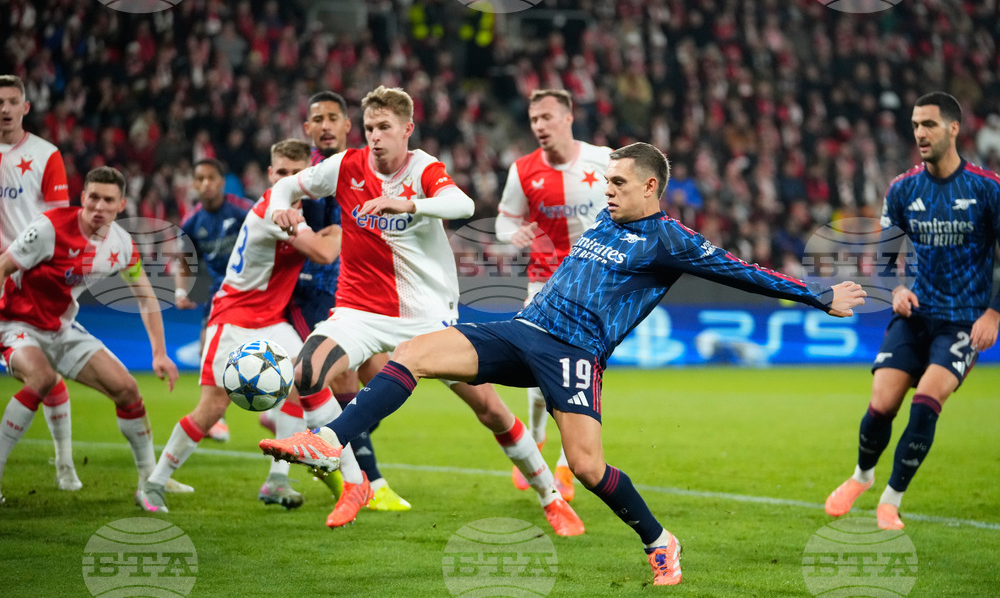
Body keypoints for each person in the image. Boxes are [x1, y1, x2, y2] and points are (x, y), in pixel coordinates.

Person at [261, 142, 867, 586]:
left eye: (619, 182)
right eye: (607, 181)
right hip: (525, 330)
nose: (608, 190)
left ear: (650, 187)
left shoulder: (671, 240)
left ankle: (660, 540)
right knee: (413, 352)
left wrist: (820, 298)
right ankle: (330, 441)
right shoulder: (607, 217)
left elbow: (744, 272)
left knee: (587, 465)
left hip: (575, 355)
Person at [264, 85, 584, 535]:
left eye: (384, 127)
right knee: (306, 372)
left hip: (427, 316)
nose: (375, 136)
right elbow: (285, 185)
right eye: (370, 127)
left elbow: (463, 204)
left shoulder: (423, 168)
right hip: (359, 312)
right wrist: (282, 208)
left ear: (407, 129)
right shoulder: (345, 166)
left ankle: (551, 497)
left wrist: (410, 203)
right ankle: (354, 483)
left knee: (490, 409)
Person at [824, 92, 1000, 530]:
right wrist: (897, 289)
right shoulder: (903, 189)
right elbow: (885, 259)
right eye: (916, 124)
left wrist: (994, 313)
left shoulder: (987, 188)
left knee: (925, 402)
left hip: (963, 321)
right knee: (881, 404)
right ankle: (862, 476)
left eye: (929, 124)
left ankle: (891, 500)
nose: (920, 133)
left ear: (954, 128)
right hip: (915, 314)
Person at [137, 140, 343, 514]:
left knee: (301, 383)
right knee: (213, 407)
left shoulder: (297, 210)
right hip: (234, 317)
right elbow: (325, 252)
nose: (289, 179)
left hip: (271, 319)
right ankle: (154, 483)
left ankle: (277, 480)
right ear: (271, 174)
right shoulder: (273, 211)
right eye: (282, 172)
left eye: (297, 173)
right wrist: (345, 227)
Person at [0, 166, 180, 506]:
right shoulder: (49, 228)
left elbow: (146, 297)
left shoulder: (121, 244)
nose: (99, 206)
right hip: (15, 323)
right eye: (93, 197)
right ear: (82, 198)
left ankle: (149, 482)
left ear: (121, 205)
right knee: (41, 378)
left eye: (108, 200)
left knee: (127, 389)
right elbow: (3, 267)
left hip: (60, 327)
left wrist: (159, 353)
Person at [290, 91, 407, 512]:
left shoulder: (363, 168)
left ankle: (317, 436)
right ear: (308, 128)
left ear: (346, 126)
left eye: (332, 118)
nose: (325, 126)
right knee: (344, 380)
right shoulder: (305, 175)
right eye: (317, 119)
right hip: (311, 294)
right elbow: (319, 243)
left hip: (359, 294)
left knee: (384, 378)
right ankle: (370, 483)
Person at [496, 88, 611, 501]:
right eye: (533, 120)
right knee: (537, 373)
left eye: (546, 117)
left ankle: (564, 464)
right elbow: (504, 221)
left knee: (582, 374)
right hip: (543, 283)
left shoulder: (604, 160)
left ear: (568, 117)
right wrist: (513, 235)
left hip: (594, 284)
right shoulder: (523, 170)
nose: (539, 126)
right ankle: (536, 435)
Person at [0, 74, 79, 494]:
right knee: (43, 377)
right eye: (0, 102)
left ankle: (65, 465)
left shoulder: (45, 155)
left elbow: (57, 224)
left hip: (27, 284)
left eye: (12, 101)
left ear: (26, 107)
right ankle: (64, 465)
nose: (5, 109)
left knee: (44, 376)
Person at [174, 158, 255, 444]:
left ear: (222, 181)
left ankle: (283, 412)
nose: (206, 183)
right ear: (194, 184)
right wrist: (180, 293)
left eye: (211, 178)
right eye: (200, 179)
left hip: (256, 290)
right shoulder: (192, 221)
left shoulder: (244, 210)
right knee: (206, 349)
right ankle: (216, 418)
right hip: (221, 294)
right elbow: (183, 262)